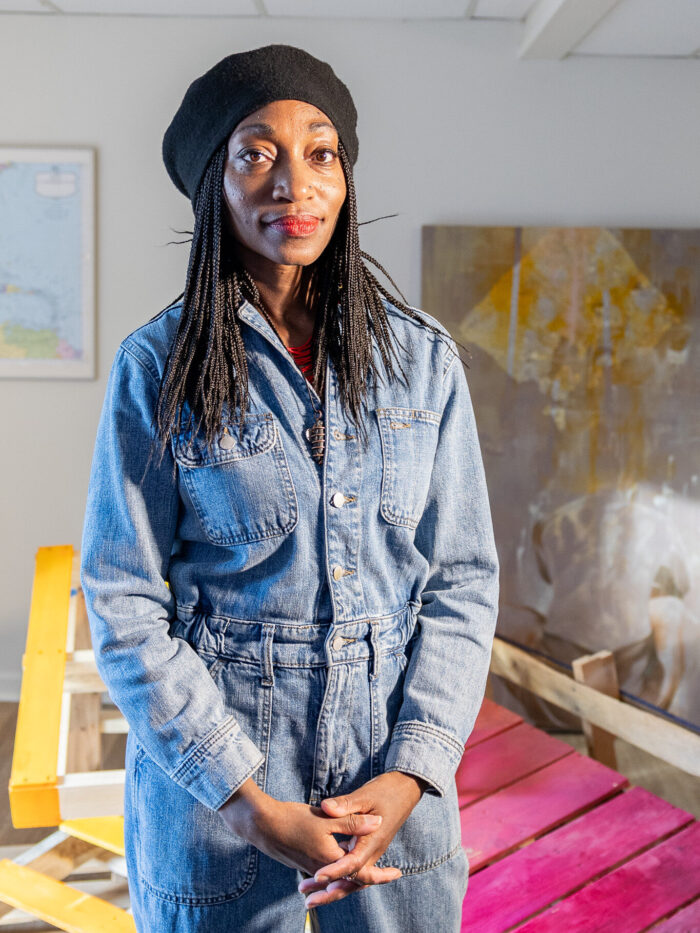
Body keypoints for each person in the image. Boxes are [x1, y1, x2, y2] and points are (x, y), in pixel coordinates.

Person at [80, 43, 500, 933]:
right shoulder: (157, 368)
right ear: (215, 186)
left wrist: (412, 773)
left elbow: (461, 581)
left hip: (388, 784)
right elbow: (119, 596)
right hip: (220, 795)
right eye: (255, 154)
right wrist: (243, 798)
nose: (293, 185)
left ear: (344, 177)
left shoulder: (423, 362)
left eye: (319, 152)